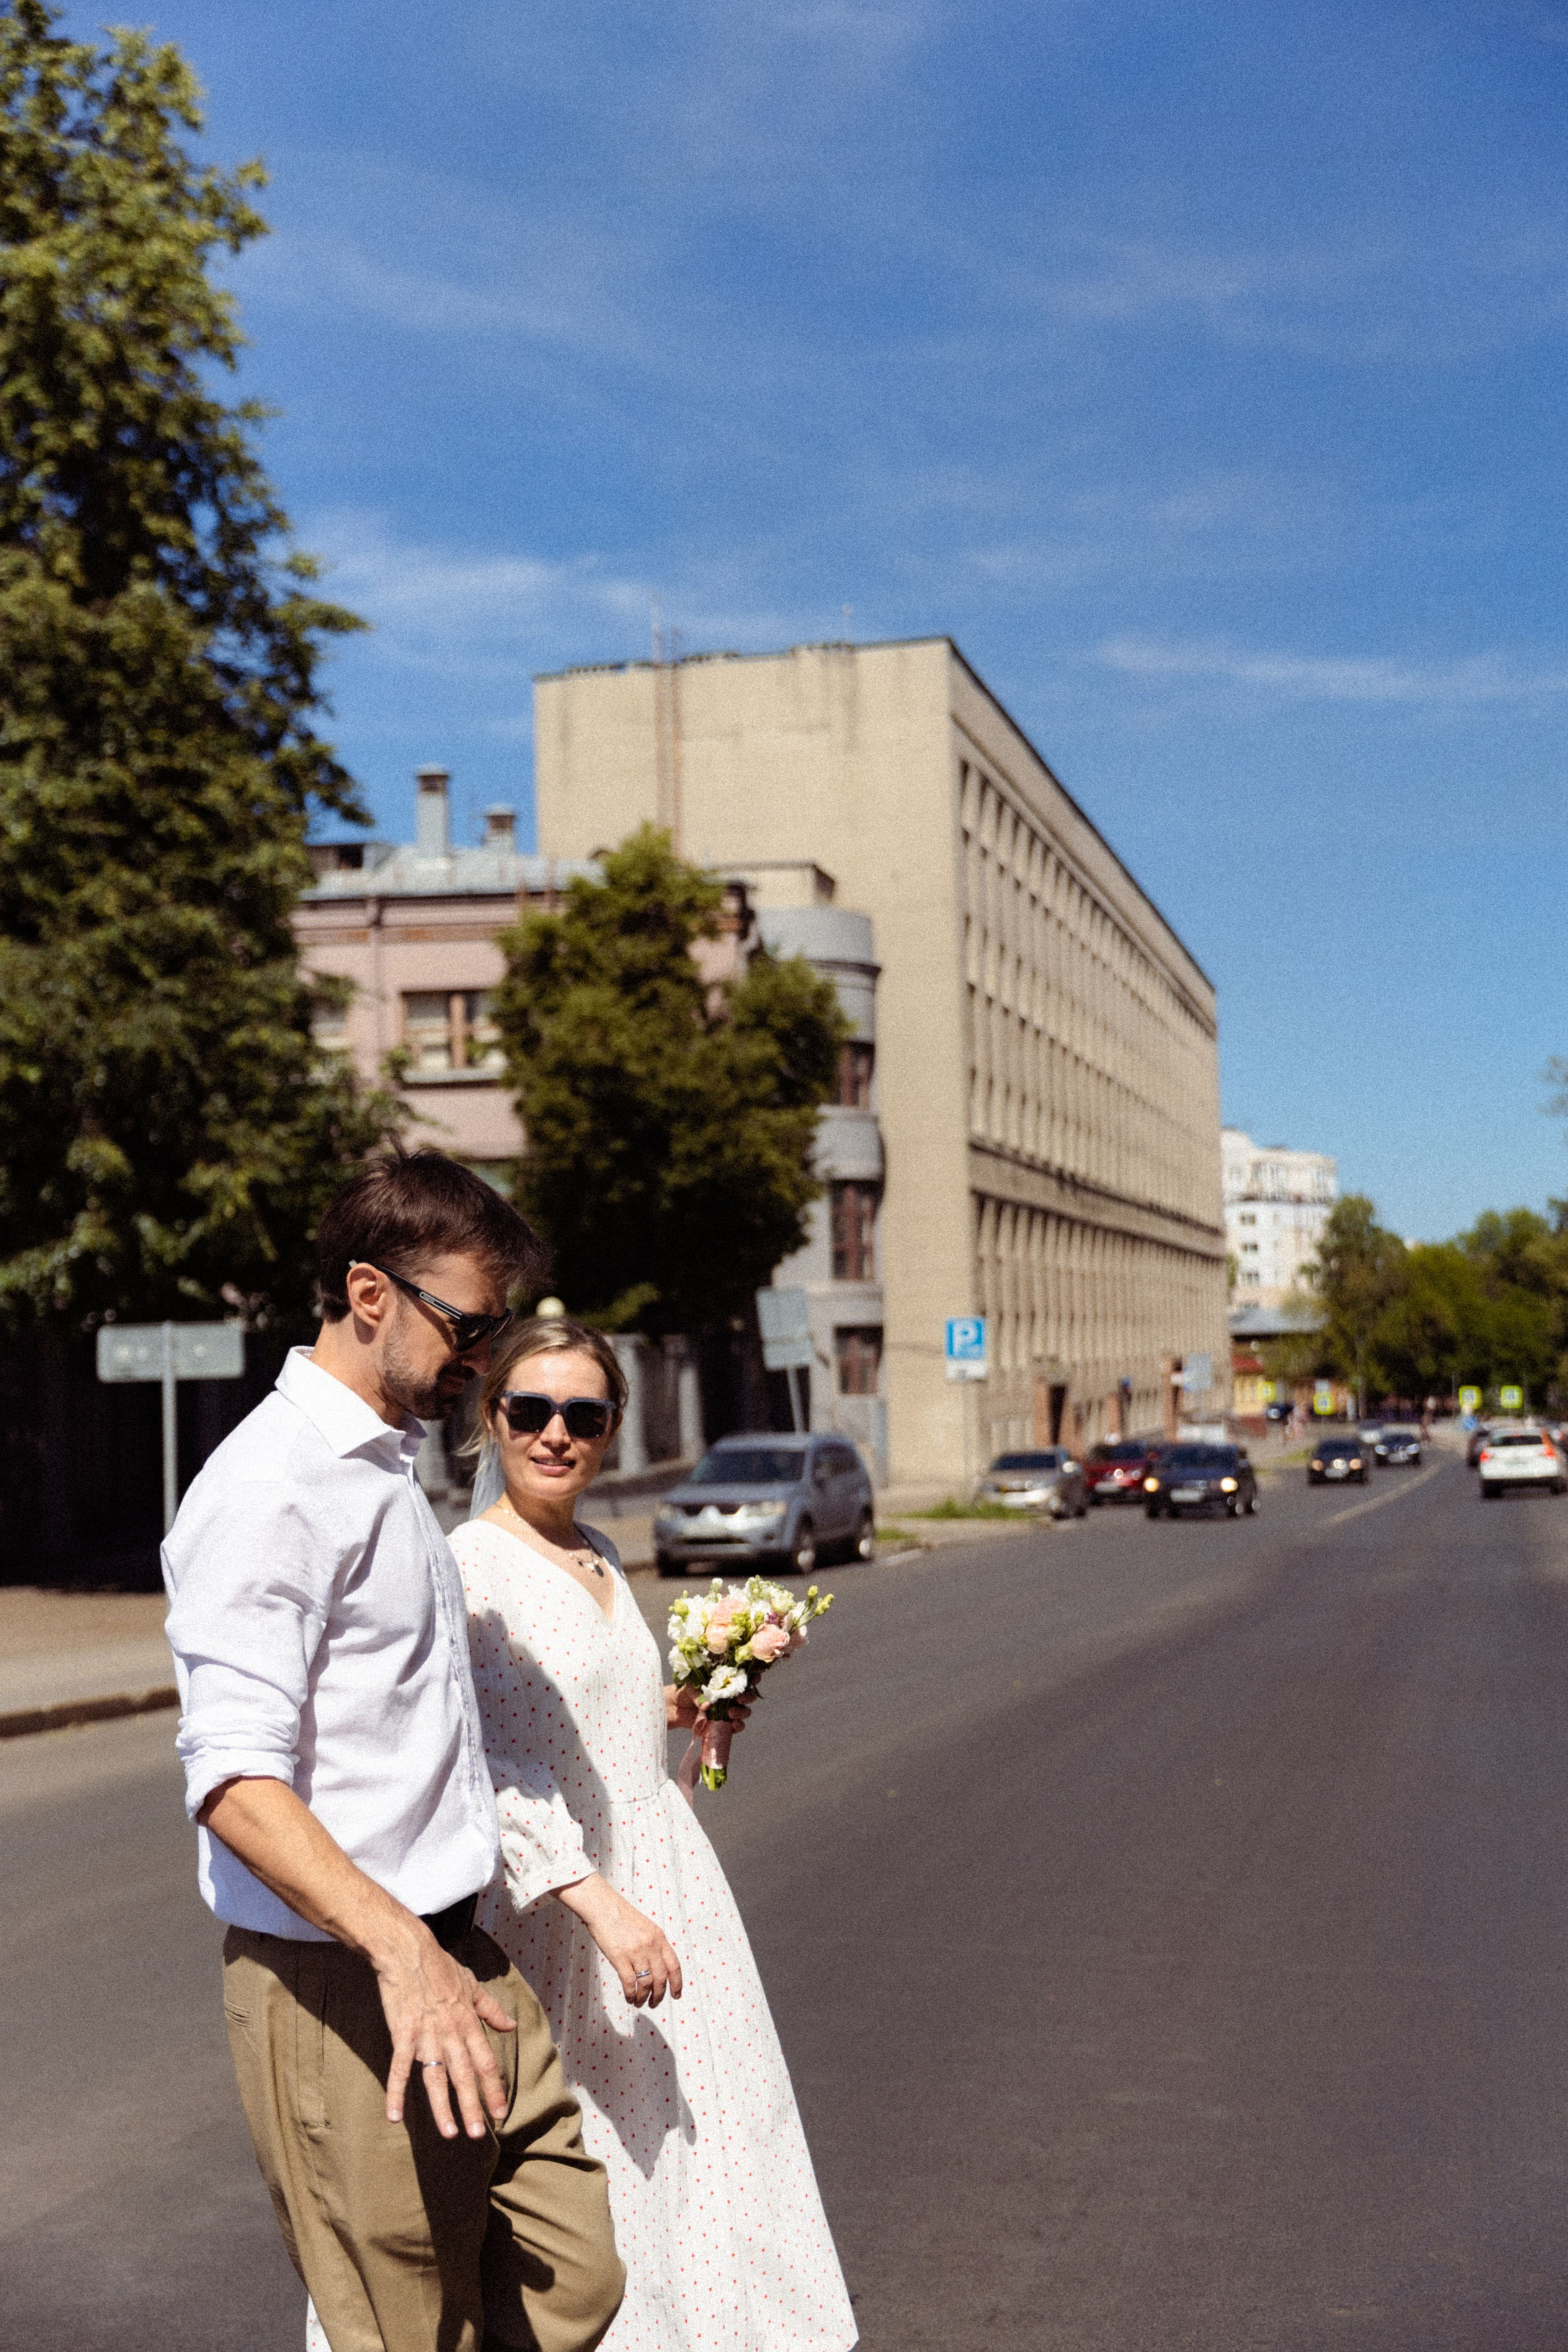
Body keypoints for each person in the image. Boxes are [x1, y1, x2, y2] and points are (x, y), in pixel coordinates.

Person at [162, 1150, 625, 2352]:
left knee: (573, 2273)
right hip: (343, 1974)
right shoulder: (272, 1487)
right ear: (371, 1296)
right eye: (467, 1324)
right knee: (404, 2328)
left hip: (451, 1947)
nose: (484, 1357)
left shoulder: (381, 1468)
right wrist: (398, 1955)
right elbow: (232, 1780)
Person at [453, 1316, 858, 2352]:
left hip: (666, 1886)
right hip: (561, 1918)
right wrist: (598, 1905)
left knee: (694, 2150)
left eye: (582, 1414)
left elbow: (584, 1717)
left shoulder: (594, 1549)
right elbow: (488, 1765)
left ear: (613, 1426)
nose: (556, 1435)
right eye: (530, 1410)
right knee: (583, 2161)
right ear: (491, 1416)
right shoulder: (469, 1568)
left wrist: (685, 1709)